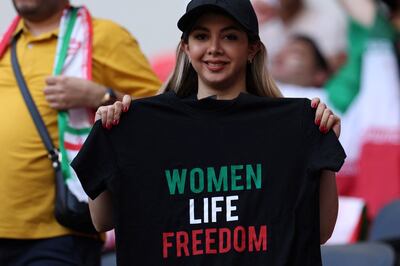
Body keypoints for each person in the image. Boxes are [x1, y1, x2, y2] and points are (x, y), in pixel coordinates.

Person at [72, 0, 346, 265]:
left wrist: (322, 151)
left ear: (252, 48)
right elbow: (102, 221)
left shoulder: (294, 126)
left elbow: (321, 231)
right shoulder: (139, 126)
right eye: (202, 36)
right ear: (186, 48)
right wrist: (107, 132)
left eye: (229, 37)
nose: (214, 48)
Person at [0, 0, 161, 265]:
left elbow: (163, 117)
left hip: (59, 236)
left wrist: (100, 95)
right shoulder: (8, 44)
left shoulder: (105, 36)